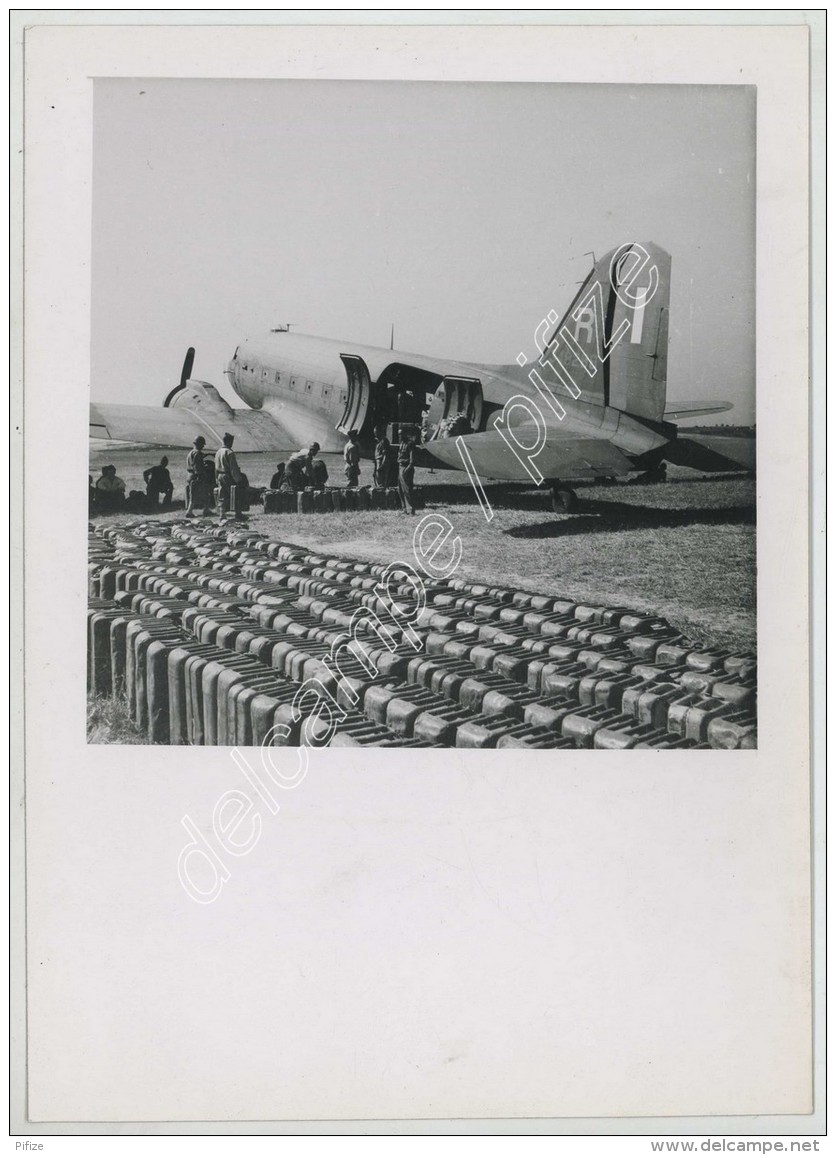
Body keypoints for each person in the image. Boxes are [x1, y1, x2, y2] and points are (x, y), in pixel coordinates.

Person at [214, 432, 243, 519]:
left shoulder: (218, 452)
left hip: (220, 475)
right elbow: (233, 468)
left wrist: (216, 478)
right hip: (228, 476)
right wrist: (238, 480)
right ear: (229, 442)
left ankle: (222, 514)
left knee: (222, 495)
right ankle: (238, 514)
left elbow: (215, 468)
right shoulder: (230, 452)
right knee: (236, 493)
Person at [185, 436, 212, 517]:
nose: (203, 446)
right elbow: (198, 467)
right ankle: (189, 512)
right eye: (202, 444)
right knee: (202, 494)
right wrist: (202, 475)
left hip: (190, 475)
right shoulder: (198, 453)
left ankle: (206, 510)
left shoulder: (190, 453)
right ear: (199, 444)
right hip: (196, 476)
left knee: (194, 494)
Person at [397, 426, 418, 515]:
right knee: (400, 489)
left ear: (405, 434)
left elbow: (412, 460)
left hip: (406, 468)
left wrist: (407, 470)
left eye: (401, 434)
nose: (400, 436)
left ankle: (411, 509)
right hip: (400, 467)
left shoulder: (410, 444)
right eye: (399, 434)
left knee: (407, 489)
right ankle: (404, 509)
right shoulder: (401, 444)